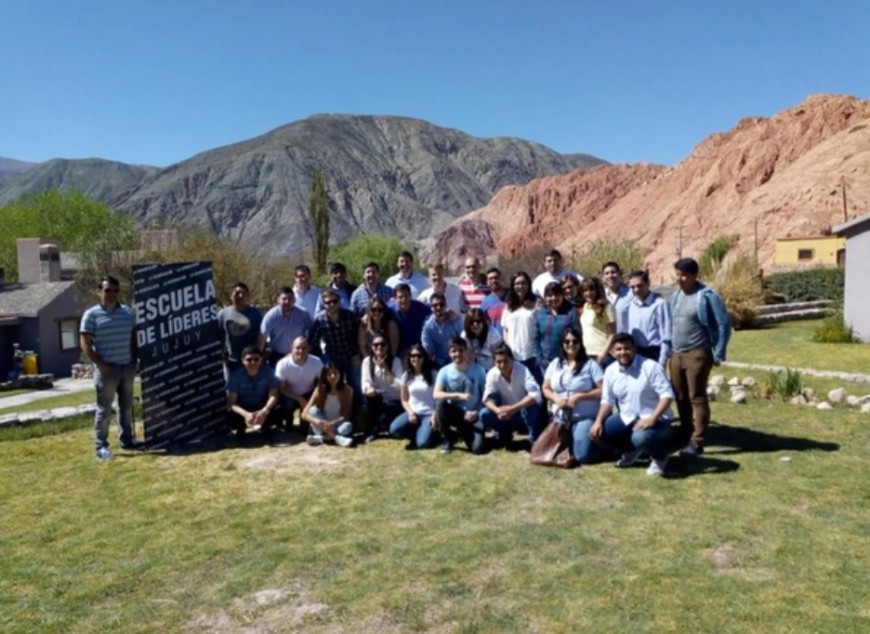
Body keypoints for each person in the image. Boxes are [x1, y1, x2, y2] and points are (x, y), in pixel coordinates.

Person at [668, 257, 732, 456]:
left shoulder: (706, 296)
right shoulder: (676, 296)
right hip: (676, 354)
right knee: (679, 396)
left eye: (684, 274)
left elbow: (723, 324)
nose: (680, 278)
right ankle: (685, 432)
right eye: (678, 274)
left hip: (697, 353)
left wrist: (719, 352)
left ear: (695, 275)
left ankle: (698, 439)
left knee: (697, 397)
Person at [588, 333, 675, 476]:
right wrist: (597, 421)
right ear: (612, 352)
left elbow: (667, 395)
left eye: (627, 348)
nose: (623, 352)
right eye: (619, 349)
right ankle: (631, 450)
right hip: (627, 417)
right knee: (599, 432)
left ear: (634, 349)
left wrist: (652, 418)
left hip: (657, 419)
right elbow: (607, 400)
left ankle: (661, 457)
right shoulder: (610, 371)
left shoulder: (651, 367)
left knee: (640, 438)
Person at [80, 275, 142, 460]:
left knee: (126, 407)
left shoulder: (128, 313)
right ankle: (101, 447)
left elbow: (134, 337)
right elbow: (85, 344)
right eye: (108, 290)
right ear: (99, 291)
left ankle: (127, 439)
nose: (112, 294)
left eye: (115, 290)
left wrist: (134, 360)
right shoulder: (91, 315)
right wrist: (100, 364)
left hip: (127, 367)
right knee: (104, 409)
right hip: (106, 370)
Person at [541, 327, 603, 462]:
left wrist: (579, 396)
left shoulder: (591, 365)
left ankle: (600, 445)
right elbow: (545, 388)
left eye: (575, 341)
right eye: (567, 341)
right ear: (562, 344)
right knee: (550, 451)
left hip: (583, 417)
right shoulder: (555, 364)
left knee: (582, 457)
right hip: (560, 417)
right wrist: (556, 399)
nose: (571, 344)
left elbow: (603, 390)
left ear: (580, 343)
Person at [480, 342, 544, 448]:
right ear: (494, 362)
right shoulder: (492, 373)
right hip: (504, 414)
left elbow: (535, 394)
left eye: (506, 361)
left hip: (522, 414)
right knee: (484, 414)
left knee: (533, 404)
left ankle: (533, 438)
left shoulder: (523, 370)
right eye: (498, 362)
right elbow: (487, 398)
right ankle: (504, 433)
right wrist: (497, 410)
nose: (502, 365)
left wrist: (513, 409)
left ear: (512, 359)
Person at [433, 337, 486, 454]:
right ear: (449, 353)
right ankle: (447, 439)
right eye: (453, 351)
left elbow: (486, 396)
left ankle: (462, 434)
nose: (457, 354)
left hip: (473, 414)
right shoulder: (444, 371)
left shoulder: (479, 370)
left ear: (466, 350)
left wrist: (476, 411)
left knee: (477, 449)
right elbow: (436, 394)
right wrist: (458, 395)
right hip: (456, 414)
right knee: (441, 402)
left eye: (461, 350)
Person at [308, 289, 362, 396]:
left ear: (339, 301)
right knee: (333, 385)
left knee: (356, 383)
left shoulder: (350, 316)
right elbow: (313, 341)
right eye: (328, 302)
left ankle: (360, 408)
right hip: (333, 357)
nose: (332, 304)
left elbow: (361, 335)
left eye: (334, 301)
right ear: (324, 304)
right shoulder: (320, 320)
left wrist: (358, 354)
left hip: (351, 355)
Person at [226, 345, 283, 441]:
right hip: (244, 408)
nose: (253, 362)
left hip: (262, 406)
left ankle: (268, 428)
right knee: (231, 414)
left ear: (261, 359)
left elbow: (274, 395)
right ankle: (241, 431)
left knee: (278, 408)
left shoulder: (269, 372)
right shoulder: (235, 376)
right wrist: (246, 414)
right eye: (249, 360)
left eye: (256, 359)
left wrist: (264, 411)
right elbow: (232, 403)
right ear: (243, 360)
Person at [389, 344, 439, 450]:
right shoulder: (406, 376)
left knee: (422, 444)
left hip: (428, 414)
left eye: (419, 356)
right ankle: (417, 431)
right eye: (412, 356)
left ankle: (433, 432)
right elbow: (404, 399)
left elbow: (438, 398)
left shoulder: (433, 374)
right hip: (413, 412)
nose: (415, 358)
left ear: (424, 357)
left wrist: (434, 415)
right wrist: (411, 413)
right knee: (394, 429)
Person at [216, 281, 265, 380]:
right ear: (231, 296)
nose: (241, 295)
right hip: (232, 360)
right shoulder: (223, 314)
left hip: (251, 360)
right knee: (231, 389)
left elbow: (262, 335)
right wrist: (222, 354)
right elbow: (218, 336)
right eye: (237, 293)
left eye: (244, 293)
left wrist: (260, 355)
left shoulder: (256, 314)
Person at [274, 336, 323, 433]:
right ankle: (288, 422)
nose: (301, 351)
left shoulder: (317, 362)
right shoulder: (282, 364)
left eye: (304, 348)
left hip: (309, 393)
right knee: (287, 405)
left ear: (309, 348)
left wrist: (312, 400)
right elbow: (281, 388)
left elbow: (321, 383)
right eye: (298, 348)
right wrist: (299, 398)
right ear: (291, 348)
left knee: (305, 429)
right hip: (289, 395)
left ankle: (305, 422)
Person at [361, 335, 404, 442]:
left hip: (393, 401)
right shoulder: (367, 361)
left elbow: (400, 386)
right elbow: (365, 382)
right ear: (371, 347)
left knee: (386, 420)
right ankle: (372, 430)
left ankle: (384, 424)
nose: (379, 347)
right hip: (377, 398)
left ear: (387, 346)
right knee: (367, 399)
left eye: (382, 344)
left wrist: (385, 369)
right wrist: (368, 389)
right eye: (376, 345)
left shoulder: (395, 361)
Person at [501, 271, 541, 383]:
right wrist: (508, 350)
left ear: (529, 285)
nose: (520, 286)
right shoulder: (508, 306)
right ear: (513, 286)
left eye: (524, 283)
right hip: (515, 355)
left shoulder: (537, 303)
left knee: (536, 386)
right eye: (517, 283)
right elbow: (506, 329)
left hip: (533, 354)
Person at [301, 364, 355, 447]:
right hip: (322, 424)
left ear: (340, 374)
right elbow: (304, 414)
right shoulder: (319, 390)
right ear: (325, 376)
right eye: (329, 374)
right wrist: (317, 421)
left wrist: (333, 423)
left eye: (335, 373)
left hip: (337, 424)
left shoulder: (348, 390)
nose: (333, 376)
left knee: (348, 426)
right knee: (313, 410)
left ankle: (322, 438)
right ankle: (335, 437)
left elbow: (346, 414)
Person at [625, 270, 672, 366]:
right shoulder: (632, 306)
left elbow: (666, 336)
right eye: (632, 287)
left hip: (653, 353)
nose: (636, 289)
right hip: (636, 353)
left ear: (648, 283)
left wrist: (662, 362)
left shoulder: (659, 304)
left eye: (639, 285)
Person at [260, 286, 313, 367]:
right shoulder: (271, 316)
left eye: (290, 298)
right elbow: (262, 338)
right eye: (284, 299)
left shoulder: (303, 314)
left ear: (294, 300)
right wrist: (259, 358)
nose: (287, 301)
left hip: (298, 355)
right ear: (278, 300)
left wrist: (308, 350)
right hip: (276, 356)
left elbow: (312, 333)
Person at [533, 282, 578, 373]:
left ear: (562, 296)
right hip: (546, 363)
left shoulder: (571, 312)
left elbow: (577, 336)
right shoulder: (540, 314)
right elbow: (535, 339)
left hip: (566, 362)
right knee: (547, 387)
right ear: (545, 298)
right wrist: (540, 360)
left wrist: (573, 359)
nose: (553, 298)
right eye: (549, 295)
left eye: (557, 295)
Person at [578, 277, 616, 366]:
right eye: (585, 291)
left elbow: (612, 334)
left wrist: (603, 355)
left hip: (602, 354)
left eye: (591, 289)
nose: (588, 293)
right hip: (587, 353)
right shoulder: (586, 306)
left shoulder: (607, 307)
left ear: (597, 290)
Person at [421, 292, 464, 368]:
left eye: (441, 304)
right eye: (435, 305)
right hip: (438, 363)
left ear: (446, 305)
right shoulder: (427, 326)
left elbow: (464, 341)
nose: (438, 307)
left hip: (457, 360)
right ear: (431, 307)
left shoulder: (456, 320)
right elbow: (428, 349)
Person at [388, 283, 431, 357]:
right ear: (395, 298)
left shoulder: (420, 307)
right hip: (399, 350)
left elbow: (434, 312)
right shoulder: (390, 309)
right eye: (400, 297)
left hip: (418, 348)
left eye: (406, 296)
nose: (403, 299)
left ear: (410, 296)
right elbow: (376, 311)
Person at [601, 261, 632, 333]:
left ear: (620, 274)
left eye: (613, 272)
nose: (610, 276)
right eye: (607, 273)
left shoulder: (631, 294)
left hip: (626, 340)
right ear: (603, 277)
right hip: (606, 340)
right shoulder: (601, 295)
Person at [479, 267, 509, 335]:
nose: (494, 280)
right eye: (490, 279)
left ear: (501, 279)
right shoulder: (485, 302)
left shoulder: (512, 296)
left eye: (496, 278)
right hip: (496, 341)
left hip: (513, 339)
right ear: (487, 282)